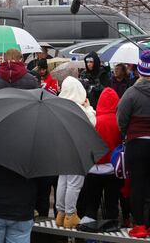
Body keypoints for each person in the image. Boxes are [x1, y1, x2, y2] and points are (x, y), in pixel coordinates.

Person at [117, 50, 150, 239]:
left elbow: (121, 119)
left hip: (137, 144)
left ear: (139, 71)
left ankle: (139, 225)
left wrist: (127, 133)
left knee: (138, 185)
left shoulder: (131, 93)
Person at [55, 77, 96, 229]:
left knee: (63, 180)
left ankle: (60, 213)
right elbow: (92, 124)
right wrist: (89, 108)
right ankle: (70, 215)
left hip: (62, 148)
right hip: (77, 149)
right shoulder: (79, 109)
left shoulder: (59, 106)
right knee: (74, 183)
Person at [80, 87, 123, 223]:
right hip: (113, 168)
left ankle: (89, 224)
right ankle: (111, 225)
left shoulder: (95, 120)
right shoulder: (119, 121)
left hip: (94, 168)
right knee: (112, 202)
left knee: (92, 202)